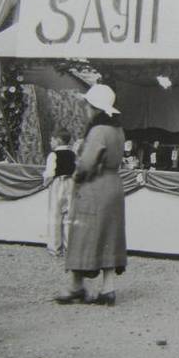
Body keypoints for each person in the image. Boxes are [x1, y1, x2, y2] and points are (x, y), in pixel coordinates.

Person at [56, 85, 127, 307]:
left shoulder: (98, 131)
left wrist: (76, 176)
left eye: (87, 105)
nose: (85, 109)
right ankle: (108, 287)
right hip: (114, 184)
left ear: (94, 107)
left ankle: (76, 286)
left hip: (95, 186)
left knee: (83, 233)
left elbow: (87, 163)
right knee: (109, 235)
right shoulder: (118, 130)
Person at [42, 128, 76, 257]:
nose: (50, 142)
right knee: (69, 216)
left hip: (58, 184)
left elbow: (50, 173)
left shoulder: (53, 155)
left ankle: (55, 248)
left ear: (58, 140)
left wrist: (45, 183)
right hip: (71, 184)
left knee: (55, 215)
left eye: (51, 140)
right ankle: (70, 248)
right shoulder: (73, 154)